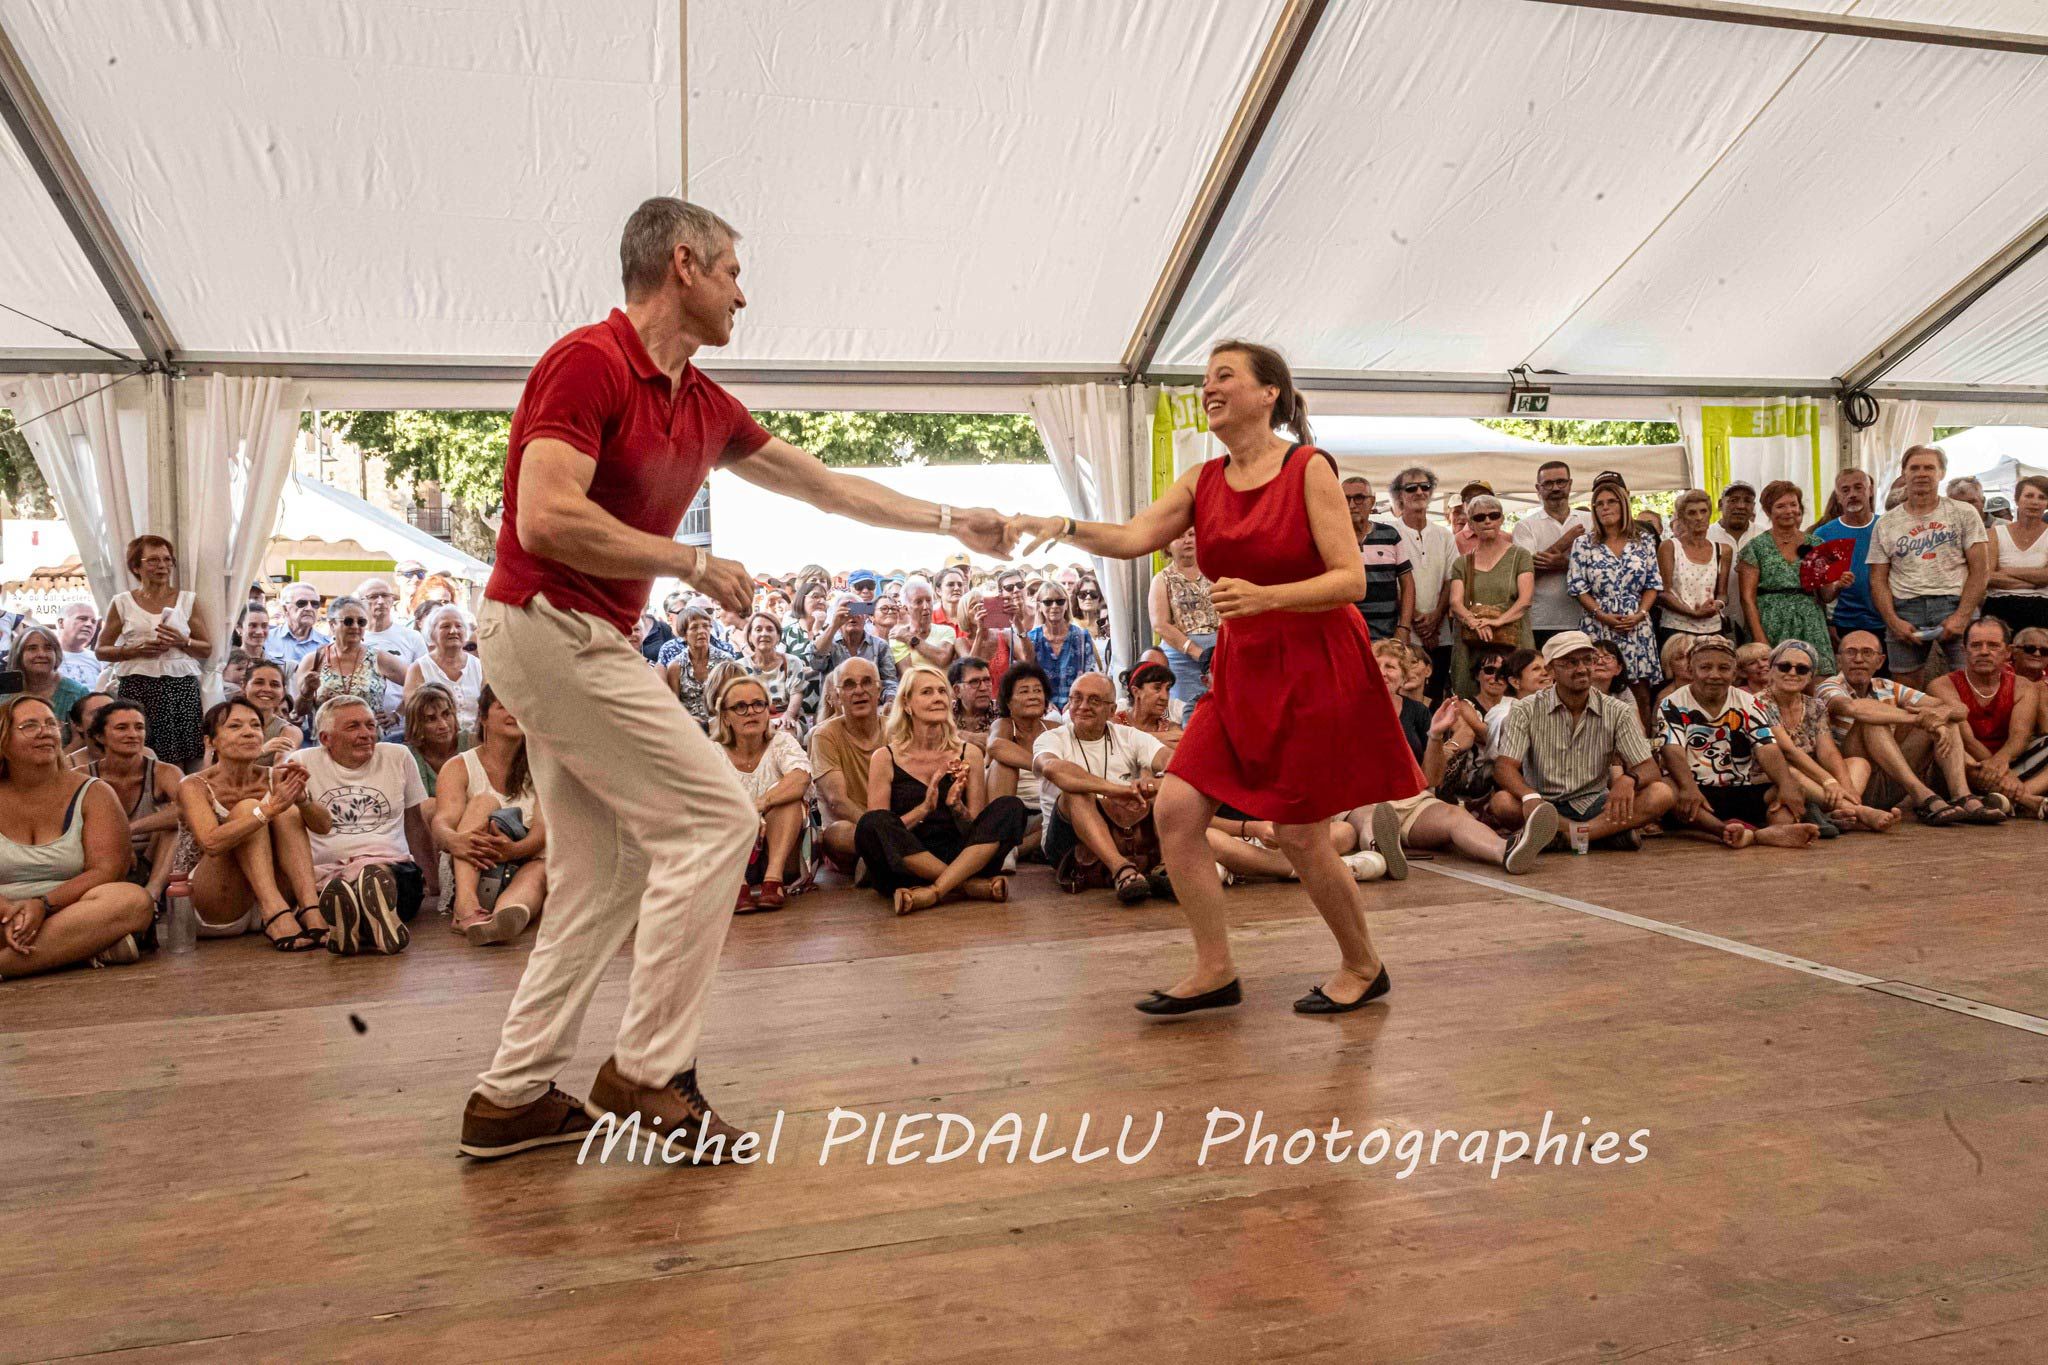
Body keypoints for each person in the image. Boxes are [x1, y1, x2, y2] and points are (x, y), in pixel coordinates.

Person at [457, 198, 1014, 1162]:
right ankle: (647, 1074)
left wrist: (948, 516)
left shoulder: (699, 398)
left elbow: (826, 484)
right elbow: (545, 518)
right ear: (683, 265)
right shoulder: (588, 362)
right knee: (717, 818)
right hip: (546, 624)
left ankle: (509, 1096)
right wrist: (688, 562)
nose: (741, 293)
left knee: (606, 869)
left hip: (573, 634)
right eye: (730, 272)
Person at [1009, 340, 1420, 1017]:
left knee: (1299, 834)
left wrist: (1267, 597)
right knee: (1175, 809)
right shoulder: (1203, 480)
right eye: (1206, 379)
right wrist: (1062, 524)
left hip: (1315, 667)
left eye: (1225, 376)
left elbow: (1349, 578)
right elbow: (1133, 535)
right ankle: (1215, 967)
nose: (1210, 387)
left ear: (1268, 395)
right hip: (1242, 672)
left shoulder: (1307, 467)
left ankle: (1363, 963)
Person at [0, 696, 155, 977]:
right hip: (4, 911)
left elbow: (108, 870)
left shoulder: (93, 792)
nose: (45, 732)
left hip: (71, 907)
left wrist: (43, 904)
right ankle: (79, 948)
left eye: (50, 723)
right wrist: (7, 911)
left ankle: (9, 965)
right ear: (3, 740)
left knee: (133, 901)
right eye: (29, 726)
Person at [855, 663, 1026, 914]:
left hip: (962, 856)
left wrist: (958, 809)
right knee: (870, 823)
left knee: (1011, 807)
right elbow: (882, 831)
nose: (937, 698)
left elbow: (977, 829)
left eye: (941, 691)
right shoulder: (885, 757)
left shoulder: (970, 753)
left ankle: (936, 890)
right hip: (906, 866)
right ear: (907, 704)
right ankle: (966, 886)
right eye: (926, 692)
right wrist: (923, 810)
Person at [1490, 632, 1676, 850]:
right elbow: (1504, 767)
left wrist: (1629, 780)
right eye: (1570, 662)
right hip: (1544, 804)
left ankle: (1567, 837)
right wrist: (1529, 796)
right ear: (1550, 671)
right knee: (1502, 803)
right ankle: (1602, 835)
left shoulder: (1617, 710)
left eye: (1587, 660)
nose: (1581, 669)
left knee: (1661, 794)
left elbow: (1649, 767)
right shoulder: (1526, 709)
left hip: (1596, 804)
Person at [177, 698, 332, 948]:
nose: (249, 732)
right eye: (235, 726)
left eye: (255, 726)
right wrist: (268, 810)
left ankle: (310, 908)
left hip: (281, 902)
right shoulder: (193, 785)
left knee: (287, 810)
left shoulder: (277, 775)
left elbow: (324, 827)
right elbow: (212, 843)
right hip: (219, 905)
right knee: (252, 809)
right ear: (210, 742)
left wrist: (303, 802)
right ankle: (274, 912)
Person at [1655, 635, 1819, 849]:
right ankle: (1729, 832)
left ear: (1734, 673)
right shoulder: (1672, 703)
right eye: (1705, 667)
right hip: (1696, 792)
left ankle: (1767, 832)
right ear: (1691, 669)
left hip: (1741, 788)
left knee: (1790, 786)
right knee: (1669, 789)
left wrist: (1786, 785)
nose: (1714, 675)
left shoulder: (1748, 702)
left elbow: (1767, 747)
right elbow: (1672, 750)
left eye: (1723, 668)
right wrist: (1688, 787)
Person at [299, 696, 434, 949]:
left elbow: (415, 823)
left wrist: (433, 882)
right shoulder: (302, 763)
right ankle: (369, 919)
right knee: (337, 891)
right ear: (326, 738)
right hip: (325, 877)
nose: (366, 734)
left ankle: (353, 920)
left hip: (392, 867)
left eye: (370, 725)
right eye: (353, 727)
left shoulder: (398, 756)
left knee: (378, 877)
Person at [1818, 630, 1989, 826]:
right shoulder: (1829, 686)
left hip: (1890, 780)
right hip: (1852, 784)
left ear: (1880, 661)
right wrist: (1919, 719)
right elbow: (1854, 708)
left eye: (1867, 653)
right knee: (1872, 718)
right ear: (1839, 660)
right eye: (1850, 652)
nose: (1858, 659)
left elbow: (1960, 710)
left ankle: (1962, 796)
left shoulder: (1886, 686)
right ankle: (1922, 795)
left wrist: (1942, 715)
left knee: (1945, 718)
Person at [1031, 671, 1175, 902]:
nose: (1083, 706)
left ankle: (1167, 868)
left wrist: (1155, 783)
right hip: (1067, 844)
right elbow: (1052, 768)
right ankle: (1122, 870)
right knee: (1075, 793)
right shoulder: (1051, 738)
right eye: (1076, 698)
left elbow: (1172, 761)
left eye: (1094, 700)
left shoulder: (1129, 736)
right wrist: (1119, 790)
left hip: (1126, 831)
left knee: (1164, 791)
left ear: (1111, 710)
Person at [434, 684, 548, 944]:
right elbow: (443, 821)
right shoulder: (459, 766)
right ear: (483, 717)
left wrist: (513, 851)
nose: (514, 713)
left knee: (540, 869)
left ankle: (503, 917)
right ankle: (465, 908)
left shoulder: (542, 767)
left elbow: (543, 830)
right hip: (470, 867)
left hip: (523, 858)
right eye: (503, 705)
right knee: (483, 802)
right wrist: (456, 841)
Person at [1868, 445, 1988, 687]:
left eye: (1929, 468)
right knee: (1905, 689)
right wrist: (1892, 620)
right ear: (1904, 473)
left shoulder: (1963, 513)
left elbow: (1981, 570)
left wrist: (1962, 616)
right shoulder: (1887, 522)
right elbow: (1877, 579)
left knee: (1971, 682)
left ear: (1941, 473)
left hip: (1954, 602)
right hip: (1905, 608)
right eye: (1915, 468)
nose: (1921, 473)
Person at [97, 535, 210, 770]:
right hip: (138, 684)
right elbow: (101, 650)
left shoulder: (187, 600)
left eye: (167, 560)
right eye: (153, 560)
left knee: (184, 754)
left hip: (180, 684)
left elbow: (206, 648)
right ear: (136, 566)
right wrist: (132, 650)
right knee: (141, 751)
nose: (162, 566)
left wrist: (181, 641)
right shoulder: (122, 602)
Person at [1762, 639, 1896, 834]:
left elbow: (1828, 751)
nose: (1792, 673)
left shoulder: (1814, 706)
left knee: (1859, 763)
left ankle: (1841, 811)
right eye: (1784, 667)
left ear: (1810, 677)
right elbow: (1788, 751)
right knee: (1791, 772)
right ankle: (1859, 812)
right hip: (1773, 778)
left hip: (1814, 779)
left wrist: (1847, 787)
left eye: (1801, 669)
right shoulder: (1759, 703)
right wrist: (1828, 781)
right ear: (1771, 671)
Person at [1926, 617, 2045, 817]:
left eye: (1992, 645)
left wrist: (2002, 764)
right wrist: (2001, 773)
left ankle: (2007, 799)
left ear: (2007, 652)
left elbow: (2019, 737)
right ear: (1964, 651)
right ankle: (2026, 800)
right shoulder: (1941, 685)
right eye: (1976, 645)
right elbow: (1968, 739)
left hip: (2009, 764)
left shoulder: (2024, 686)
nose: (1983, 652)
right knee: (1948, 741)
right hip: (1966, 766)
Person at [711, 674, 810, 910]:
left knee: (788, 799)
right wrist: (745, 816)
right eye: (740, 707)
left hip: (780, 851)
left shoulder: (782, 742)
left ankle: (772, 882)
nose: (751, 712)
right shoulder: (711, 752)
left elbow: (800, 778)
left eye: (758, 704)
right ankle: (737, 885)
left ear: (768, 710)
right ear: (725, 717)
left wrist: (759, 805)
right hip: (729, 849)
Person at [84, 700, 182, 908]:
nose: (133, 734)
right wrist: (118, 842)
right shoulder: (82, 776)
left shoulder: (164, 772)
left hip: (154, 859)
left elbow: (190, 809)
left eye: (139, 727)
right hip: (102, 859)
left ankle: (151, 898)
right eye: (122, 728)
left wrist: (127, 831)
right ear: (100, 736)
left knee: (176, 823)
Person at [1446, 494, 1534, 699]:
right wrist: (1475, 623)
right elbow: (1455, 602)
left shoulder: (1520, 556)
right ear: (1470, 524)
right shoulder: (1462, 563)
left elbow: (1525, 600)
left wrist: (1496, 622)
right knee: (1470, 700)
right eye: (1479, 517)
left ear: (1502, 519)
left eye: (1493, 515)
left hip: (1513, 641)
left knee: (1517, 697)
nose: (1487, 521)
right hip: (1472, 644)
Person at [809, 658, 886, 871]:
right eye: (849, 685)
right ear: (837, 695)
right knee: (837, 834)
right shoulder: (824, 735)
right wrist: (885, 832)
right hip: (854, 830)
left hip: (894, 824)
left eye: (867, 682)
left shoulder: (897, 729)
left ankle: (877, 864)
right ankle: (892, 859)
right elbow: (837, 802)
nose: (859, 691)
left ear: (879, 690)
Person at [295, 596, 411, 732]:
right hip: (328, 742)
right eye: (348, 621)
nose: (355, 626)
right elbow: (300, 711)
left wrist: (396, 715)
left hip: (369, 742)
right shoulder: (314, 660)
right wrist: (307, 691)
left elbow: (417, 685)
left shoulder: (378, 658)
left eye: (361, 622)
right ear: (332, 625)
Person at [1388, 466, 1456, 696]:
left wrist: (1436, 619)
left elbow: (1451, 580)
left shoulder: (1445, 535)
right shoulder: (1390, 532)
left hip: (1441, 633)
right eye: (1411, 487)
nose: (1419, 492)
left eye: (1425, 487)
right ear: (1400, 495)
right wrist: (1417, 621)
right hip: (1404, 631)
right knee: (1405, 695)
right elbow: (1391, 582)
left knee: (1435, 695)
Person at [1511, 460, 1593, 649]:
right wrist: (1566, 541)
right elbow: (1527, 574)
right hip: (1540, 620)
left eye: (1561, 482)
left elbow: (1601, 571)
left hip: (1584, 617)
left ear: (1570, 484)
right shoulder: (1525, 526)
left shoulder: (1590, 522)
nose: (1555, 487)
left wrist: (1564, 564)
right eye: (1548, 483)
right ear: (1538, 488)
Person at [985, 661, 1056, 859]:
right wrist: (1043, 766)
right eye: (1024, 691)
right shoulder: (1004, 725)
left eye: (1038, 690)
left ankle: (1011, 852)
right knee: (1002, 765)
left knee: (1068, 812)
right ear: (1008, 702)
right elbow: (995, 746)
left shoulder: (1053, 728)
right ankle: (1001, 842)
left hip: (1045, 814)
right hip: (1013, 818)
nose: (1033, 696)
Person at [1149, 527, 1218, 716]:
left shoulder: (1216, 572)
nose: (1187, 541)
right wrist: (1197, 652)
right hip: (1181, 659)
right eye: (1179, 536)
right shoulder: (1162, 579)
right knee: (1188, 715)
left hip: (1219, 656)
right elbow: (1160, 625)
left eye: (1192, 535)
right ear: (1167, 546)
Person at [1813, 467, 1885, 642]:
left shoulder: (1888, 527)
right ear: (1838, 497)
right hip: (1844, 623)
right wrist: (1829, 622)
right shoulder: (1823, 535)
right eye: (1845, 490)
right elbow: (1823, 593)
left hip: (1887, 621)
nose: (1852, 494)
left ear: (1870, 491)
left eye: (1858, 487)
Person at [1342, 476, 1413, 642]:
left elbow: (1407, 583)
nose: (1352, 505)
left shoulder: (1390, 535)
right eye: (1345, 498)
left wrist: (1403, 628)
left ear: (1372, 501)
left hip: (1386, 636)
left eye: (1359, 498)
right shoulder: (1330, 538)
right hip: (1344, 636)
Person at [1657, 489, 1731, 643]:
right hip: (1676, 629)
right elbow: (1664, 593)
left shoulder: (1723, 550)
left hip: (1712, 629)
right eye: (1692, 513)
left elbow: (1723, 594)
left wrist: (1717, 605)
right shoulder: (1670, 546)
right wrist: (1693, 613)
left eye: (1703, 511)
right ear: (1682, 518)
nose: (1699, 517)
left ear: (1710, 514)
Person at [358, 576, 429, 736]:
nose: (381, 601)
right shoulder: (353, 637)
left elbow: (423, 681)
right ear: (360, 602)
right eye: (373, 597)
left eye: (386, 596)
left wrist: (398, 713)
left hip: (403, 729)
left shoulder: (412, 637)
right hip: (361, 728)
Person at [730, 610, 817, 736]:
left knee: (785, 733)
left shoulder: (792, 662)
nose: (764, 634)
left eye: (770, 629)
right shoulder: (740, 667)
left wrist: (788, 715)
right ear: (749, 636)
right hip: (752, 717)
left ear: (778, 636)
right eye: (758, 629)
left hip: (787, 716)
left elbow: (797, 693)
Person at [405, 604, 484, 734]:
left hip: (475, 742)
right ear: (432, 633)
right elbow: (414, 716)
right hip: (435, 744)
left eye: (459, 626)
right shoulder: (418, 669)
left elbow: (486, 710)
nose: (453, 631)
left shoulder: (479, 667)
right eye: (445, 626)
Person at [1986, 474, 2048, 634]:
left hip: (2042, 609)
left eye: (2042, 497)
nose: (2034, 501)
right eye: (2029, 496)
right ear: (2017, 499)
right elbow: (1987, 576)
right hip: (1999, 607)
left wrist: (2008, 571)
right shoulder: (1994, 534)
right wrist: (2032, 583)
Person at [815, 593, 901, 706]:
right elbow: (815, 663)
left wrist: (889, 702)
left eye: (856, 610)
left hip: (870, 708)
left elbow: (889, 683)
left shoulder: (880, 646)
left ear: (865, 616)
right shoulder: (828, 643)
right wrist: (834, 625)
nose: (852, 616)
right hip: (835, 709)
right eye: (846, 611)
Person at [3, 627, 92, 736]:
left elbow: (82, 742)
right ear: (18, 655)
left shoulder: (77, 694)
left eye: (48, 648)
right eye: (32, 648)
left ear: (57, 654)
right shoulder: (4, 692)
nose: (41, 654)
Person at [1028, 583, 1099, 710]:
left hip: (1078, 705)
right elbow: (1028, 678)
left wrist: (1074, 701)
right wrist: (1044, 703)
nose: (1054, 606)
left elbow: (1091, 676)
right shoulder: (1032, 639)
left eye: (1060, 601)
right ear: (1039, 606)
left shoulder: (1082, 637)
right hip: (1041, 707)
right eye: (1048, 602)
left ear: (1066, 605)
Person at [401, 680, 466, 799]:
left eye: (446, 714)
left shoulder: (473, 743)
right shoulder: (408, 756)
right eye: (431, 719)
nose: (443, 725)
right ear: (417, 725)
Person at [663, 608, 720, 729]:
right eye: (694, 628)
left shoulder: (724, 662)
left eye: (706, 626)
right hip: (689, 728)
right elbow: (675, 707)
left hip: (721, 727)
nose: (702, 631)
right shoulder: (675, 667)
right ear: (684, 635)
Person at [893, 578, 959, 671]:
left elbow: (942, 658)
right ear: (906, 608)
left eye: (928, 600)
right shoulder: (897, 638)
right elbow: (908, 675)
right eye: (918, 602)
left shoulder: (946, 631)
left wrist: (910, 638)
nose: (926, 606)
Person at [264, 583, 330, 671]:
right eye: (302, 603)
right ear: (285, 609)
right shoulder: (267, 640)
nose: (309, 608)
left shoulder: (327, 645)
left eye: (315, 604)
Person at [1119, 660, 1185, 746]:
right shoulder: (1114, 723)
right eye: (1157, 688)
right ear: (1136, 691)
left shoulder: (1172, 729)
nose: (1165, 697)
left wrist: (1131, 739)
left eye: (1167, 689)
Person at [948, 654, 996, 749]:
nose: (983, 688)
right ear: (957, 690)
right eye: (974, 682)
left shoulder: (1004, 711)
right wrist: (962, 735)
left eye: (987, 680)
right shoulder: (944, 712)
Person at [1709, 481, 1762, 557]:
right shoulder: (1707, 536)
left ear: (1753, 506)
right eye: (1733, 500)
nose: (1741, 506)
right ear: (1720, 504)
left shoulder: (1763, 536)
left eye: (1747, 501)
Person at [54, 602, 100, 688]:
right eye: (82, 618)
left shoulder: (98, 660)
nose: (89, 624)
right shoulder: (45, 656)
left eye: (94, 622)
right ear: (61, 623)